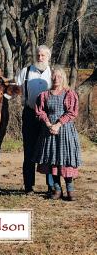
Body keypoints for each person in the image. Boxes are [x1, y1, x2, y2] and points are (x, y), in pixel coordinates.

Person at [34, 65, 82, 201]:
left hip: (65, 130)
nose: (56, 78)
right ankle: (57, 189)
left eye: (59, 76)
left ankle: (70, 188)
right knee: (52, 159)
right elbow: (40, 111)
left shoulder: (69, 93)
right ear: (51, 77)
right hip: (49, 131)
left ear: (63, 78)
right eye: (54, 76)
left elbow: (72, 112)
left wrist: (59, 124)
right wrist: (49, 124)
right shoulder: (43, 95)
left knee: (65, 160)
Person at [16, 45, 54, 194]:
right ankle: (28, 186)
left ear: (48, 57)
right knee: (29, 151)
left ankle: (51, 186)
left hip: (49, 117)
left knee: (49, 151)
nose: (40, 58)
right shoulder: (25, 72)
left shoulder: (53, 74)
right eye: (38, 55)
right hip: (30, 114)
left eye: (43, 55)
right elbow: (13, 91)